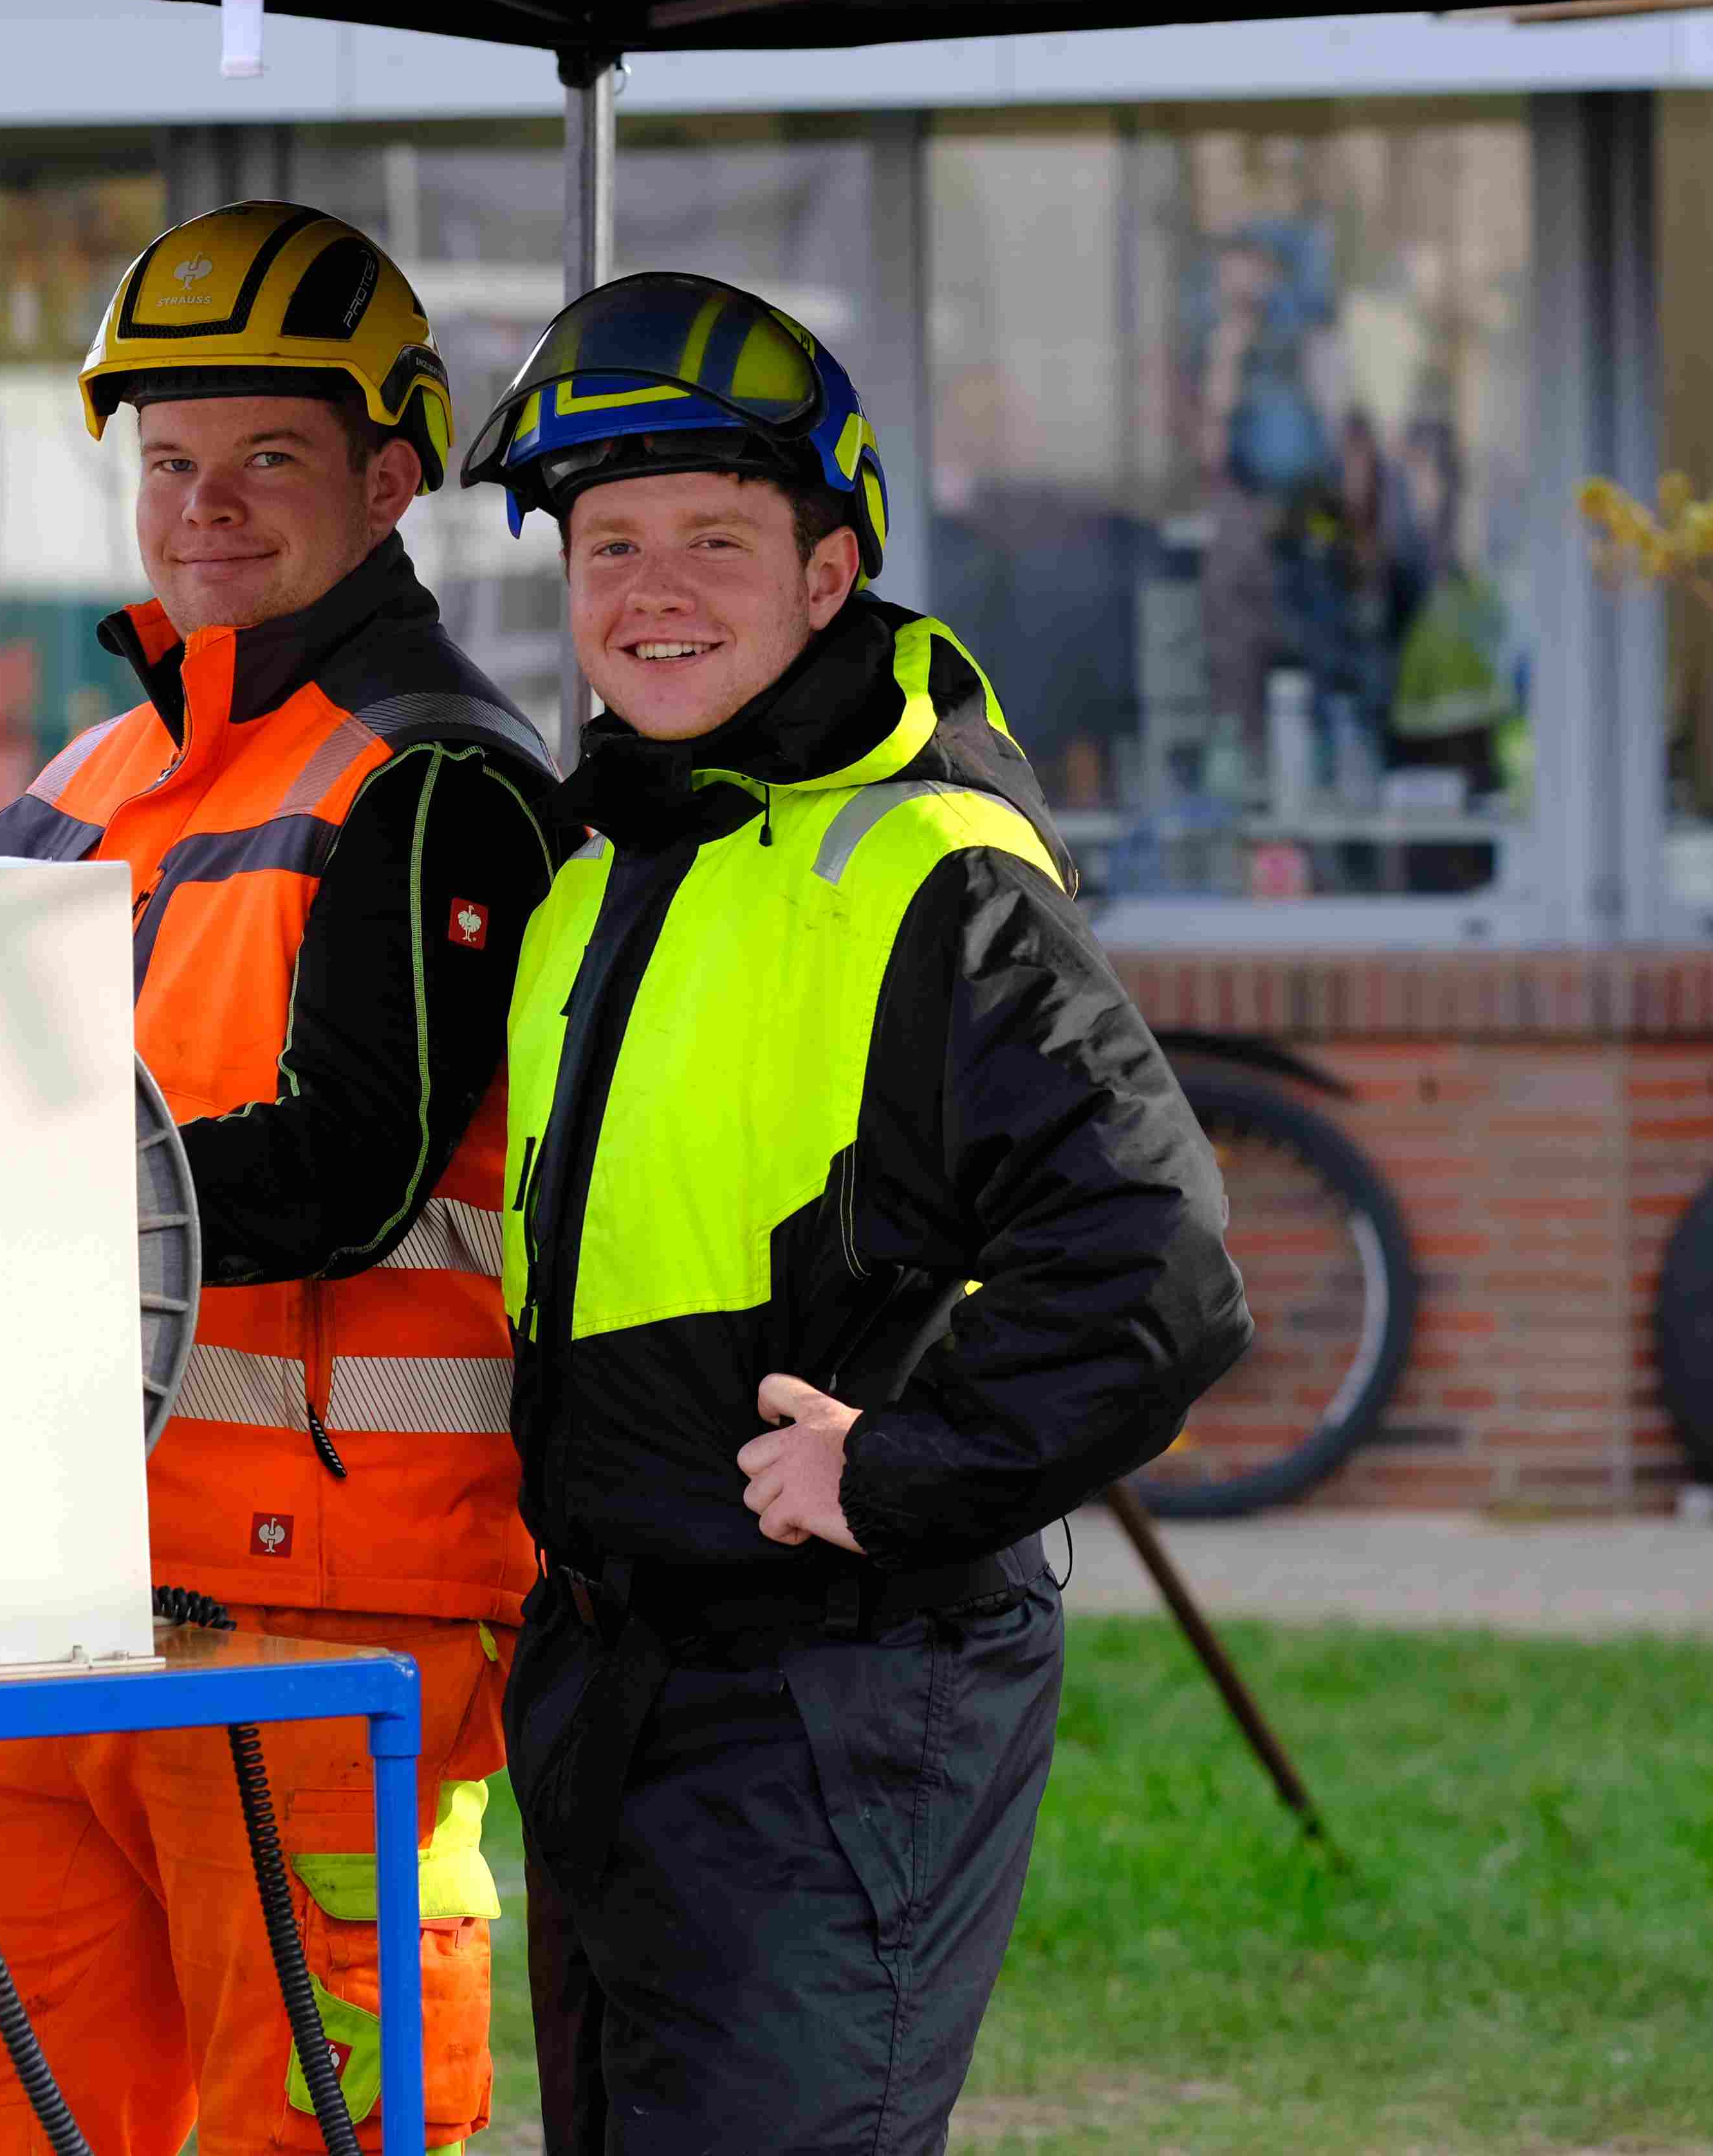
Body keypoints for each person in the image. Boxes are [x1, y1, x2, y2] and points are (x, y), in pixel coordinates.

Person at [456, 272, 1252, 2155]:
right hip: (617, 1680)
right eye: (610, 544)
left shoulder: (926, 868)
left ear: (830, 574)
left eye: (713, 543)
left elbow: (1155, 1268)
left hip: (835, 1692)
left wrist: (897, 1471)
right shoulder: (612, 869)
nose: (651, 589)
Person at [0, 203, 566, 2155]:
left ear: (391, 474)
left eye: (268, 456)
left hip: (325, 1625)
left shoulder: (438, 776)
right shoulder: (78, 785)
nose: (205, 507)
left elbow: (342, 1171)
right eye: (169, 461)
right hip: (53, 1600)